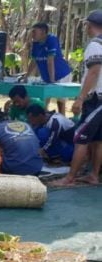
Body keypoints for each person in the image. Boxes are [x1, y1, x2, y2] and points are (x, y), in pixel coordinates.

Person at [55, 10, 102, 186]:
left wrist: (81, 98)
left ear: (90, 26)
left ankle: (69, 178)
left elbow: (94, 71)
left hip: (96, 99)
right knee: (98, 139)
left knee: (81, 137)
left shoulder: (95, 45)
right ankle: (94, 175)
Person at [26, 22, 73, 114]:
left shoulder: (52, 39)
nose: (32, 34)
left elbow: (50, 61)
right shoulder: (35, 43)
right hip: (47, 77)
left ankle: (62, 120)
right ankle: (44, 120)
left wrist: (52, 80)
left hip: (61, 75)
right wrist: (26, 76)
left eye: (34, 32)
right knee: (44, 101)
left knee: (60, 101)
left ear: (43, 32)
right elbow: (33, 61)